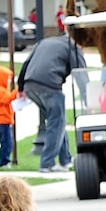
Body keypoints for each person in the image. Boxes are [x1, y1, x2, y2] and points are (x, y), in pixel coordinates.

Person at [17, 27, 86, 173]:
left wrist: (20, 88)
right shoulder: (72, 46)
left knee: (57, 121)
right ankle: (47, 163)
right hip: (50, 86)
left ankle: (66, 159)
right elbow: (81, 74)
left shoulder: (45, 42)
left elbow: (25, 64)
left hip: (30, 86)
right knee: (57, 122)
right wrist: (88, 98)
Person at [0, 64, 16, 167]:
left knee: (8, 142)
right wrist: (16, 92)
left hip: (4, 121)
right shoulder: (0, 91)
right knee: (6, 143)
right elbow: (7, 99)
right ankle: (3, 162)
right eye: (8, 78)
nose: (9, 81)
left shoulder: (2, 90)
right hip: (1, 121)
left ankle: (5, 160)